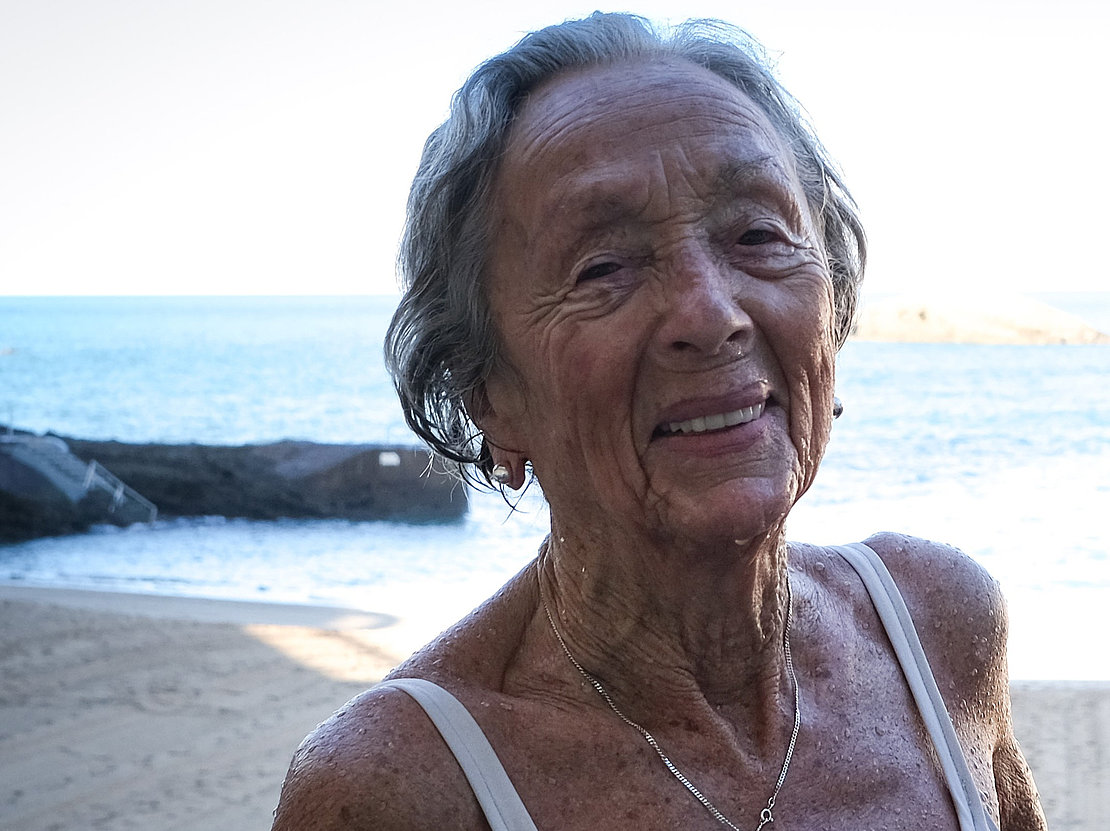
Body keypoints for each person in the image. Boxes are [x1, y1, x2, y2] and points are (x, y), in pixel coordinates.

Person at [273, 13, 1045, 830]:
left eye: (757, 233)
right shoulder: (399, 786)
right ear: (488, 393)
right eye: (602, 266)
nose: (712, 315)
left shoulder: (937, 627)